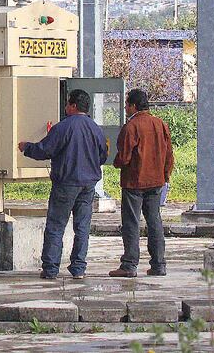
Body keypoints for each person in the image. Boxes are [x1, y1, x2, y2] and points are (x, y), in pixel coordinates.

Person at [18, 89, 108, 280]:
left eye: (67, 103)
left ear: (73, 106)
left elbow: (44, 150)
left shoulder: (63, 127)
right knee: (82, 227)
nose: (65, 107)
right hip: (88, 185)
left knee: (56, 226)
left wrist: (26, 147)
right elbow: (103, 156)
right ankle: (78, 268)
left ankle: (51, 268)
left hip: (66, 183)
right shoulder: (96, 129)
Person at [109, 88, 175, 278]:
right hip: (156, 181)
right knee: (154, 221)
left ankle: (129, 265)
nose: (125, 108)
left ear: (133, 106)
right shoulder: (160, 124)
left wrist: (116, 162)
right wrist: (165, 175)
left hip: (134, 181)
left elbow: (124, 157)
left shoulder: (131, 127)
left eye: (127, 104)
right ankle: (158, 264)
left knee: (131, 222)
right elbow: (169, 154)